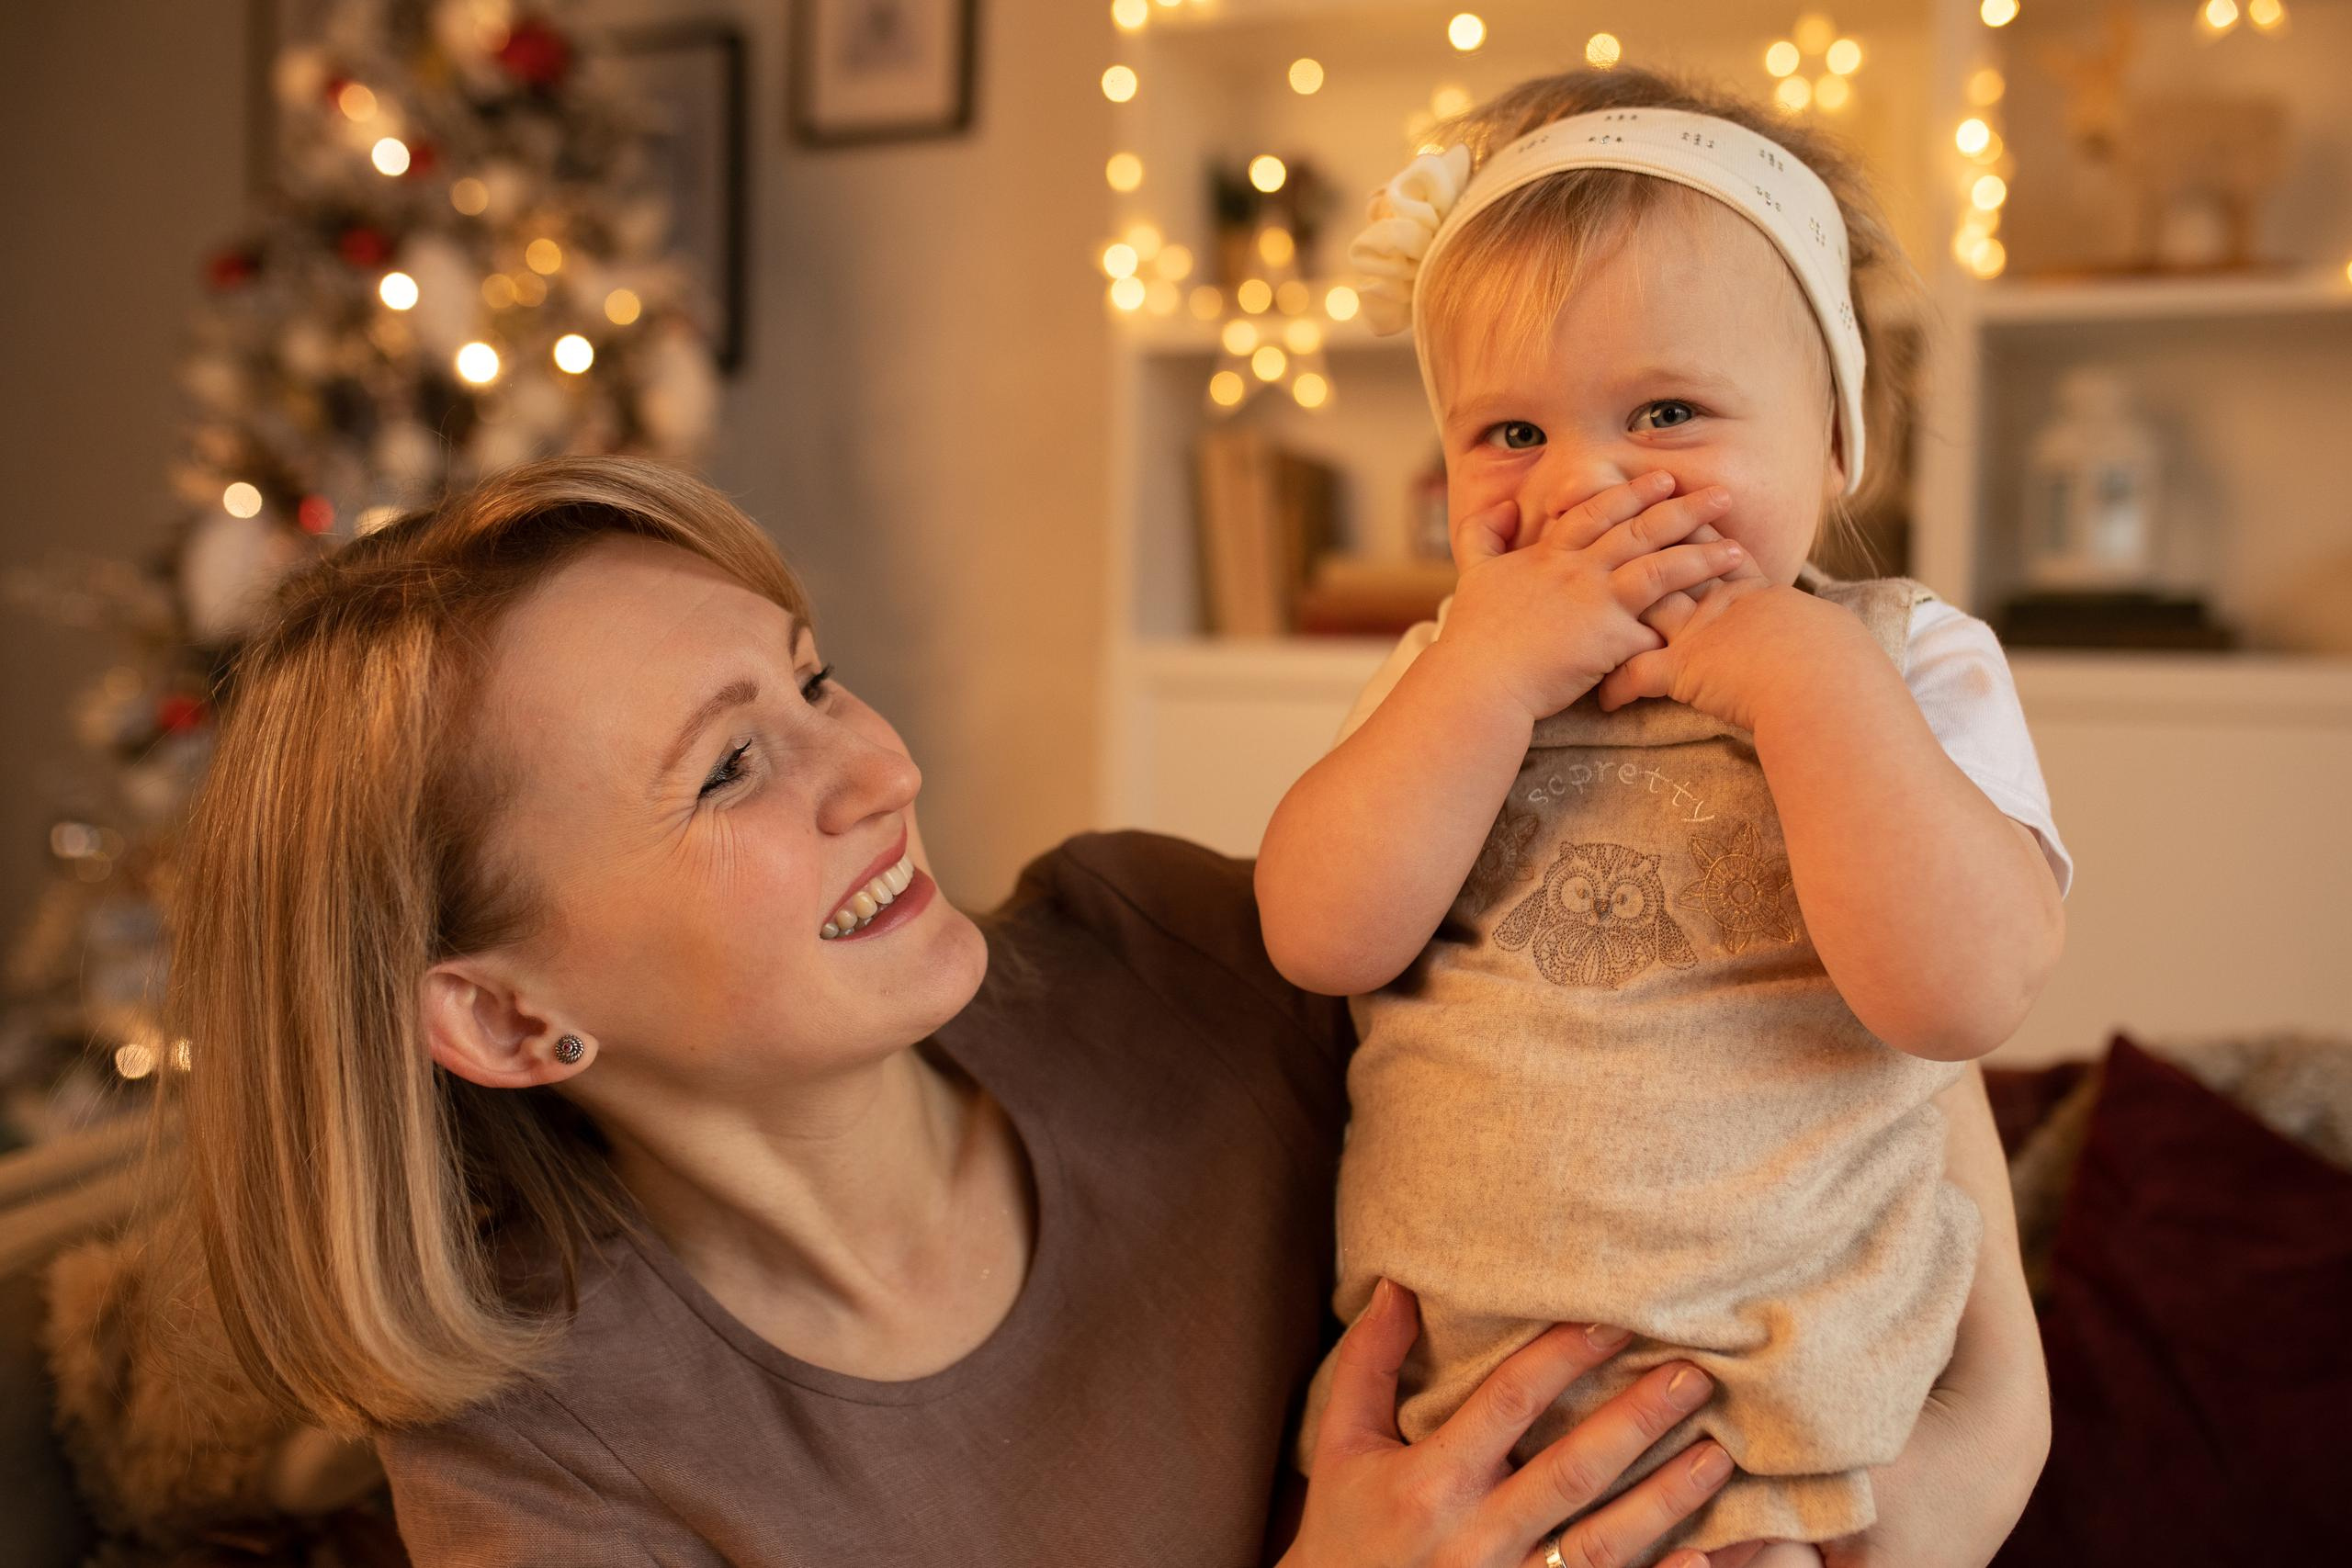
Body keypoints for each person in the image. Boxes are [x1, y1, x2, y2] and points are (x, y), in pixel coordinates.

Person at [154, 456, 2048, 1567]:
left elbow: (1885, 1179)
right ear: (498, 1015)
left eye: (817, 683)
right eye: (732, 768)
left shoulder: (1170, 951)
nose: (879, 766)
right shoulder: (543, 1453)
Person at [1255, 67, 2068, 1567]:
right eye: (1508, 435)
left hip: (1792, 1432)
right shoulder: (1448, 678)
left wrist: (1803, 680)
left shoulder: (1902, 658)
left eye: (1670, 411)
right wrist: (1487, 682)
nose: (1588, 486)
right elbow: (1319, 935)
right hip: (1457, 1432)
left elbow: (1963, 992)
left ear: (1835, 446)